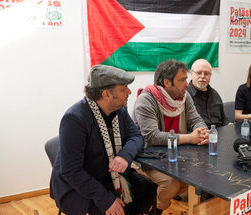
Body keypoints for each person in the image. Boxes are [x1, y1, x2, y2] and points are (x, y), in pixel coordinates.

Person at [50, 65, 156, 215]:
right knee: (109, 209)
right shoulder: (74, 118)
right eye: (124, 88)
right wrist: (106, 200)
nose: (129, 92)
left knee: (147, 189)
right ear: (106, 94)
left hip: (107, 175)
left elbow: (136, 136)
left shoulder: (120, 110)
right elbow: (72, 171)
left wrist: (124, 156)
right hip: (77, 186)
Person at [132, 59, 208, 214]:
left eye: (186, 79)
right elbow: (152, 137)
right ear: (167, 82)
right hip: (148, 158)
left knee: (198, 176)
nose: (187, 84)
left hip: (174, 155)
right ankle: (152, 210)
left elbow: (196, 119)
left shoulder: (184, 97)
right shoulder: (146, 100)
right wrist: (189, 138)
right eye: (182, 80)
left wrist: (202, 131)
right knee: (171, 184)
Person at [186, 59, 229, 127]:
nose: (202, 76)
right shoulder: (184, 95)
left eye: (206, 73)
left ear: (210, 75)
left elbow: (224, 120)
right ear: (191, 73)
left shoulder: (215, 94)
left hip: (219, 134)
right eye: (199, 73)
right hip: (198, 135)